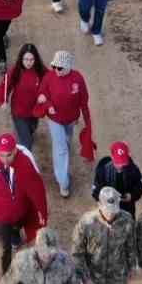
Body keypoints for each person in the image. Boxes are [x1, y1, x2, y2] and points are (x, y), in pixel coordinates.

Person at [0, 131, 49, 274]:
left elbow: (36, 189)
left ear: (15, 150)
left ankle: (15, 236)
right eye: (1, 155)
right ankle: (6, 274)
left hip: (21, 211)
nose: (5, 159)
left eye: (9, 154)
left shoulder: (25, 163)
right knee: (3, 248)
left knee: (17, 228)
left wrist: (41, 211)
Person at [34, 50, 90, 199]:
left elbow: (84, 99)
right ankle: (63, 182)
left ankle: (62, 170)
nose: (56, 70)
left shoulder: (77, 78)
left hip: (70, 119)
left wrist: (83, 118)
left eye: (59, 68)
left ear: (68, 67)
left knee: (66, 141)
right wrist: (48, 105)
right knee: (61, 149)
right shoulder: (49, 77)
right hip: (55, 119)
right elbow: (41, 94)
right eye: (54, 66)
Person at [0, 42, 46, 152]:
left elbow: (51, 82)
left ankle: (28, 134)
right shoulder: (16, 71)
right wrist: (2, 100)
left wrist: (45, 95)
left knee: (32, 129)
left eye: (31, 60)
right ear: (21, 59)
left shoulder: (41, 71)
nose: (29, 62)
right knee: (26, 142)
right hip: (19, 112)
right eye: (26, 59)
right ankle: (26, 160)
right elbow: (5, 86)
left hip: (34, 111)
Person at [92, 141, 142, 220]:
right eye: (118, 162)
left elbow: (141, 186)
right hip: (108, 210)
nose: (120, 166)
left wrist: (132, 195)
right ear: (112, 157)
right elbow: (95, 191)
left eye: (123, 163)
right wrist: (105, 200)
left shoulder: (133, 169)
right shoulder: (103, 170)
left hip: (127, 208)